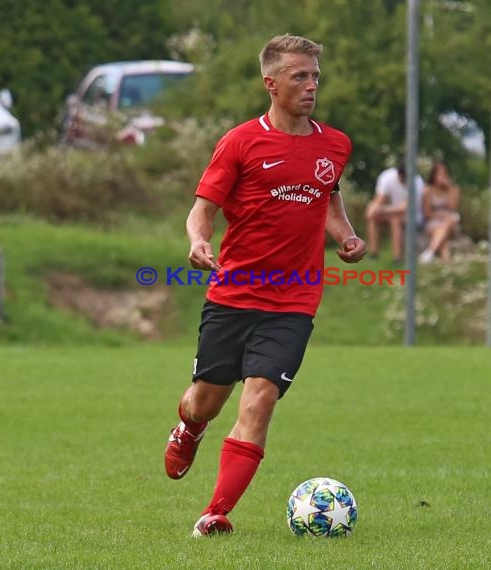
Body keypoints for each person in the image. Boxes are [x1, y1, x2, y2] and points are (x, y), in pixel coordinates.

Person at [164, 34, 366, 537]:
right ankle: (189, 427)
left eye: (315, 75)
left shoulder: (334, 144)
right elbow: (201, 211)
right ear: (270, 84)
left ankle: (215, 513)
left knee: (259, 399)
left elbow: (330, 203)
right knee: (206, 400)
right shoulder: (240, 142)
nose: (311, 84)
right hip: (233, 295)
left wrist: (348, 236)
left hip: (294, 300)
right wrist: (196, 241)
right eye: (299, 75)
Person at [365, 158, 424, 264]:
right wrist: (373, 210)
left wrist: (381, 209)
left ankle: (397, 257)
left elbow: (404, 208)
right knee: (374, 218)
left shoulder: (417, 182)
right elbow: (380, 199)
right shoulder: (387, 177)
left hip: (411, 216)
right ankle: (374, 253)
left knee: (395, 218)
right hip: (391, 212)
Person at [419, 160, 461, 263]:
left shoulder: (453, 189)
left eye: (444, 174)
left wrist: (449, 188)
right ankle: (446, 262)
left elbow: (453, 208)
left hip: (451, 222)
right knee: (444, 236)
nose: (441, 177)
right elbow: (428, 213)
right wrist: (442, 217)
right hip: (433, 222)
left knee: (449, 223)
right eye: (439, 174)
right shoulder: (428, 190)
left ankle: (430, 252)